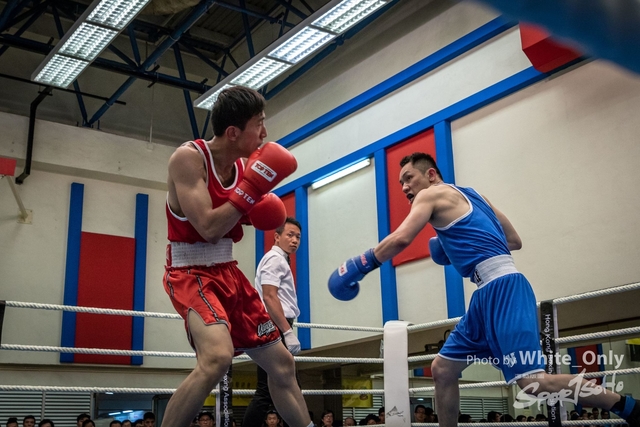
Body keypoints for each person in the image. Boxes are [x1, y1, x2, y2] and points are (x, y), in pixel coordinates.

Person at [327, 152, 640, 427]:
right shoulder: (475, 195)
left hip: (504, 288)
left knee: (533, 384)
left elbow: (400, 239)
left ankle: (628, 406)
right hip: (484, 295)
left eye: (409, 178)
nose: (405, 187)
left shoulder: (431, 194)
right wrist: (453, 244)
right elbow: (514, 240)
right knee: (442, 369)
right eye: (400, 183)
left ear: (431, 174)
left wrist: (358, 265)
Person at [161, 86, 311, 427]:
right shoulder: (188, 158)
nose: (265, 133)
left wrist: (253, 207)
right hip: (190, 272)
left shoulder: (244, 166)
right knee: (217, 357)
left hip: (228, 270)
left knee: (283, 365)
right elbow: (208, 227)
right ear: (233, 132)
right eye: (258, 124)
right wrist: (251, 191)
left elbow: (237, 217)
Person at [244, 217, 303, 427]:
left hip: (276, 324)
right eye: (290, 235)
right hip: (276, 324)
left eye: (298, 237)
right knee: (273, 389)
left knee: (285, 386)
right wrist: (287, 331)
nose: (295, 240)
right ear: (277, 237)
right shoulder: (275, 259)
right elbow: (269, 297)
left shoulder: (280, 259)